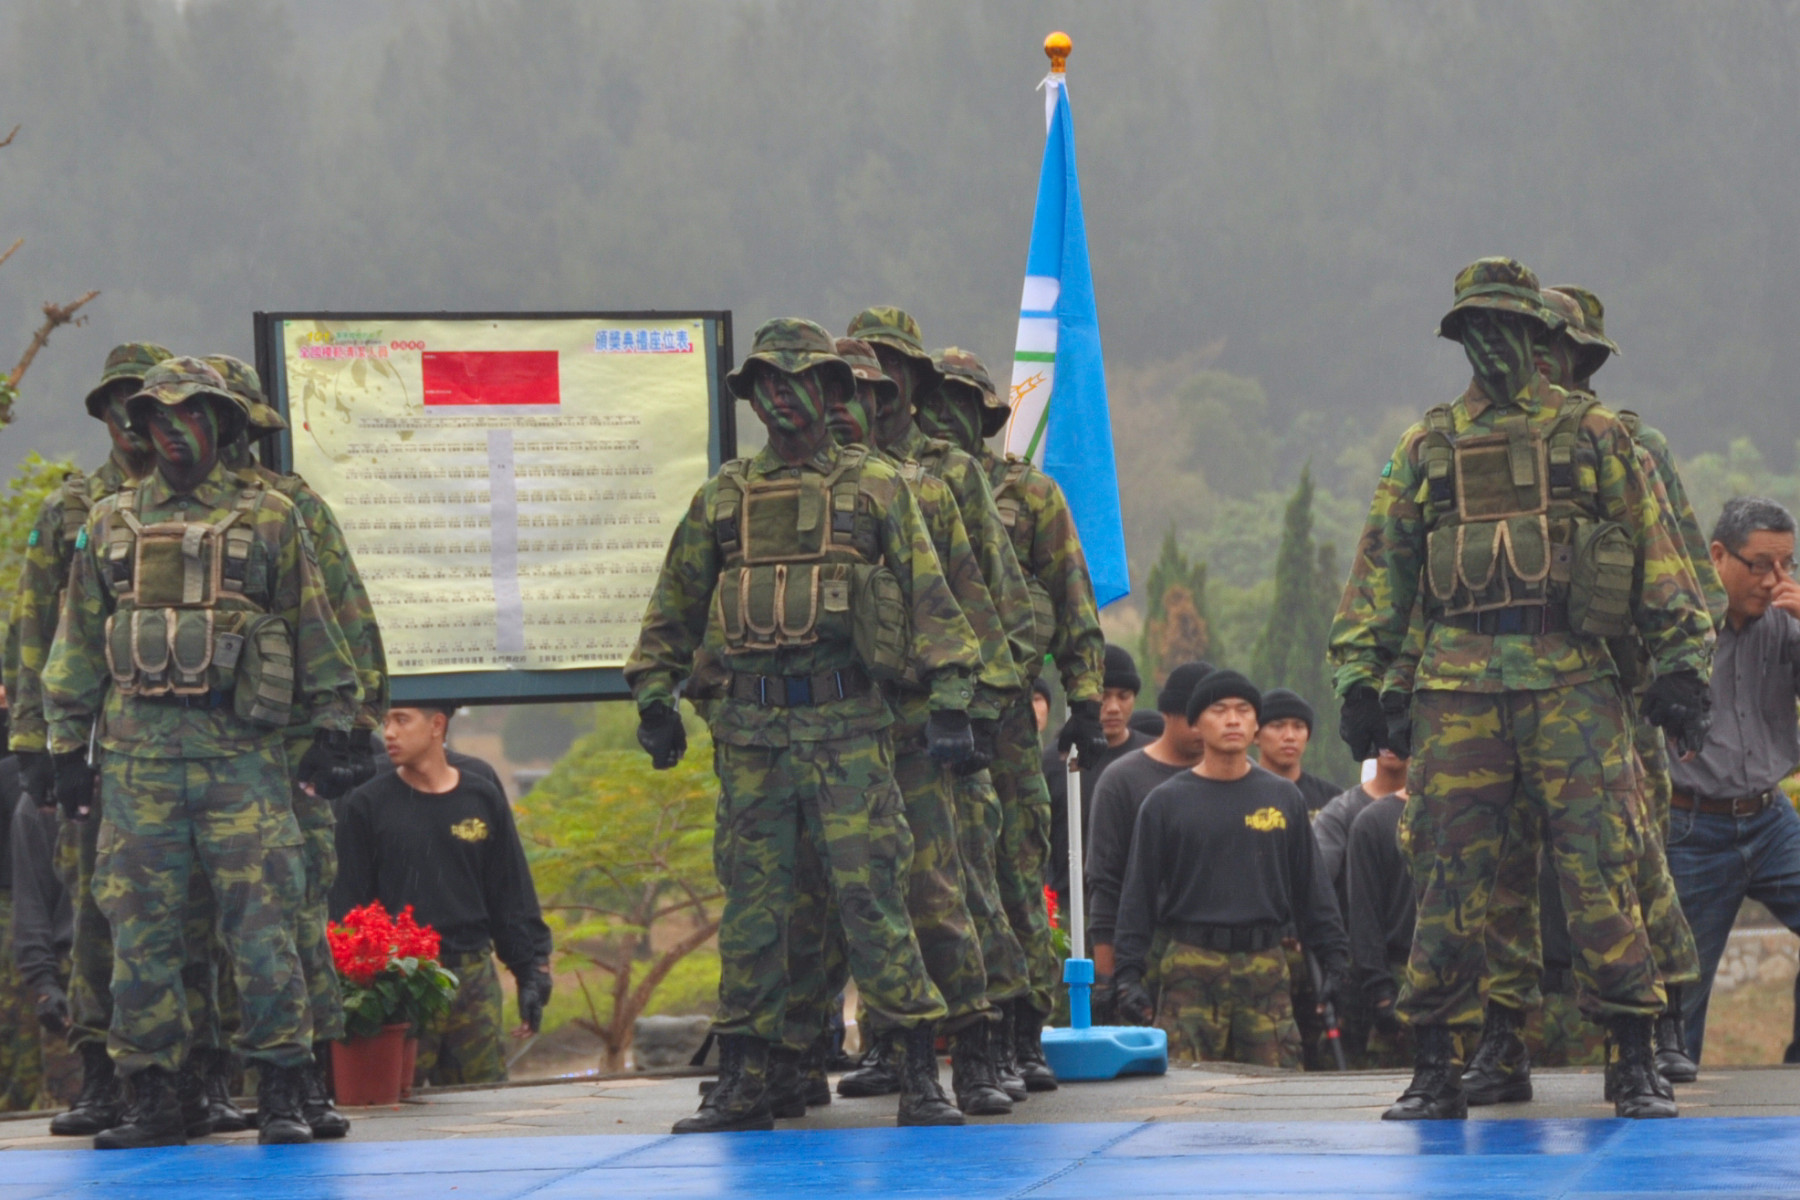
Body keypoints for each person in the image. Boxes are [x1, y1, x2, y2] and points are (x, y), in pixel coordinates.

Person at [1329, 257, 1714, 1121]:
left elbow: (1659, 554)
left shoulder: (1597, 437)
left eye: (1514, 328)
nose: (1497, 344)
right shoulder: (1426, 446)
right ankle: (1437, 1059)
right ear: (1461, 337)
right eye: (1480, 328)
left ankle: (1634, 1055)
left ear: (1542, 339)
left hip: (1573, 683)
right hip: (1458, 688)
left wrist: (1684, 663)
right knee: (1446, 874)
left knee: (1600, 867)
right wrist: (1362, 678)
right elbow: (1381, 572)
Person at [625, 318, 981, 1132]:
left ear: (830, 392)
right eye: (765, 385)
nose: (782, 399)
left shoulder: (878, 488)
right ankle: (748, 1075)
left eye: (798, 383)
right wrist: (654, 693)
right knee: (756, 909)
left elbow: (932, 596)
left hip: (849, 726)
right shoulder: (723, 496)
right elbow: (673, 608)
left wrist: (954, 696)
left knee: (873, 898)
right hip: (752, 735)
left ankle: (921, 1069)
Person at [43, 356, 366, 1147]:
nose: (173, 431)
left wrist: (335, 725)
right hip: (136, 765)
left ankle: (286, 1089)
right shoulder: (111, 521)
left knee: (263, 932)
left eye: (192, 417)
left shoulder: (271, 517)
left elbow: (315, 623)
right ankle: (151, 1093)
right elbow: (79, 640)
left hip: (243, 762)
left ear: (221, 425)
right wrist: (60, 744)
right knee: (139, 936)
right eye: (159, 418)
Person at [1459, 286, 1710, 1106]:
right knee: (1502, 871)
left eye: (1547, 348)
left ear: (1576, 357)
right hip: (1503, 689)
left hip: (1612, 688)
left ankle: (1658, 1016)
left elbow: (1681, 567)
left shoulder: (1627, 445)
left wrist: (1681, 676)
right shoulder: (1477, 444)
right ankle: (1503, 1032)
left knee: (1626, 858)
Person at [787, 337, 1017, 1118]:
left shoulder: (929, 486)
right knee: (819, 899)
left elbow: (976, 605)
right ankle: (814, 1051)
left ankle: (977, 1055)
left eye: (874, 395)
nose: (860, 410)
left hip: (916, 726)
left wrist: (971, 710)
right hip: (829, 729)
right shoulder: (782, 494)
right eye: (845, 394)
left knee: (936, 894)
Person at [205, 353, 382, 1137]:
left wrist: (351, 731)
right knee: (199, 923)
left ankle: (305, 1079)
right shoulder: (166, 513)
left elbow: (346, 622)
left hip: (291, 752)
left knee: (295, 913)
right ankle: (199, 1082)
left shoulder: (290, 508)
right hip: (208, 753)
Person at [5, 343, 168, 1137]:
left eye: (146, 403)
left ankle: (189, 1078)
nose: (132, 421)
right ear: (104, 416)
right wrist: (36, 743)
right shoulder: (72, 511)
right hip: (93, 749)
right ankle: (101, 1078)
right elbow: (34, 627)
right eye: (118, 405)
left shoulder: (211, 503)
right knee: (95, 919)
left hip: (185, 748)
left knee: (188, 916)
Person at [1113, 671, 1349, 1068]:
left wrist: (1336, 960)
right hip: (1190, 965)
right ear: (1196, 723)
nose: (1233, 720)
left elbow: (1313, 889)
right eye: (1219, 710)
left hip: (1265, 967)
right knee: (1185, 1097)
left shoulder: (1282, 798)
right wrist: (1127, 975)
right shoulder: (1164, 803)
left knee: (1276, 1097)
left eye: (1244, 711)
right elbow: (1137, 894)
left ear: (1256, 724)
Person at [333, 704, 552, 1088]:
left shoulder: (480, 794)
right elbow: (349, 909)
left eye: (402, 720)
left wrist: (531, 969)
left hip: (473, 975)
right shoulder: (366, 804)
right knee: (400, 1106)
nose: (389, 733)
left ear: (437, 725)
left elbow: (510, 890)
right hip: (401, 981)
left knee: (485, 1104)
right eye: (386, 722)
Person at [1664, 497, 1800, 1063]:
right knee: (1679, 988)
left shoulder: (1785, 625)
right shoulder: (1678, 629)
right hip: (1692, 825)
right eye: (1761, 565)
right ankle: (1666, 1096)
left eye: (1787, 565)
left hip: (1771, 819)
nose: (1775, 581)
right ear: (1718, 556)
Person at [1084, 661, 1214, 1000]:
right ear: (1168, 715)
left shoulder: (1243, 778)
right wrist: (1107, 975)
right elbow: (1105, 879)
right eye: (1193, 717)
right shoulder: (1123, 780)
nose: (1203, 728)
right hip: (1146, 950)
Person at [1312, 748, 1408, 1061]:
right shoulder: (1346, 813)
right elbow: (1319, 885)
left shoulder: (1452, 813)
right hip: (1363, 967)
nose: (1392, 742)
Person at [1046, 644, 1151, 918]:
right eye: (1103, 696)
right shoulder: (1054, 762)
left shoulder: (1153, 758)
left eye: (1123, 696)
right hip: (1071, 908)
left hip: (1137, 906)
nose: (1113, 708)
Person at [1346, 783, 1415, 1068]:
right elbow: (1365, 918)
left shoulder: (1477, 818)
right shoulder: (1373, 822)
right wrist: (1382, 995)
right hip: (1399, 975)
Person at [1253, 690, 1341, 814]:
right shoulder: (1240, 795)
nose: (1290, 736)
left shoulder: (1332, 799)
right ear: (1255, 735)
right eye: (1278, 726)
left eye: (1298, 727)